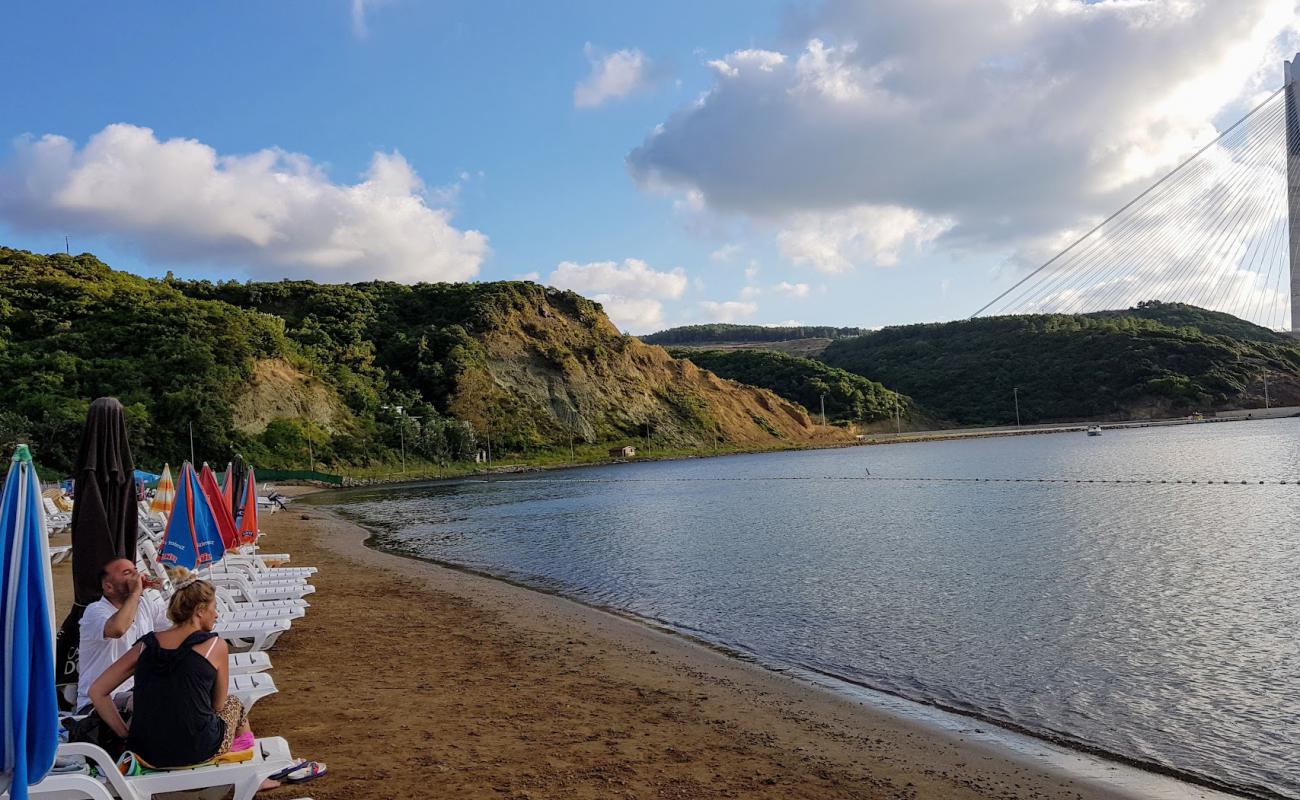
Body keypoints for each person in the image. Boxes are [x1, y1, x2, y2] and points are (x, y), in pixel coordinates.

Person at [89, 572, 275, 783]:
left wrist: (125, 734)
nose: (216, 615)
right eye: (213, 608)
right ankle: (256, 776)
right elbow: (218, 705)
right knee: (235, 705)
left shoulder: (145, 645)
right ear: (199, 611)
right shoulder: (214, 645)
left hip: (146, 751)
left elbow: (97, 691)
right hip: (198, 748)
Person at [75, 558, 170, 712]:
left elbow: (176, 623)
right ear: (108, 586)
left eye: (135, 570)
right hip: (100, 703)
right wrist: (135, 592)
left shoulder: (144, 605)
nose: (136, 576)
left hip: (136, 692)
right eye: (127, 573)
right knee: (151, 702)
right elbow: (117, 629)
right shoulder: (95, 611)